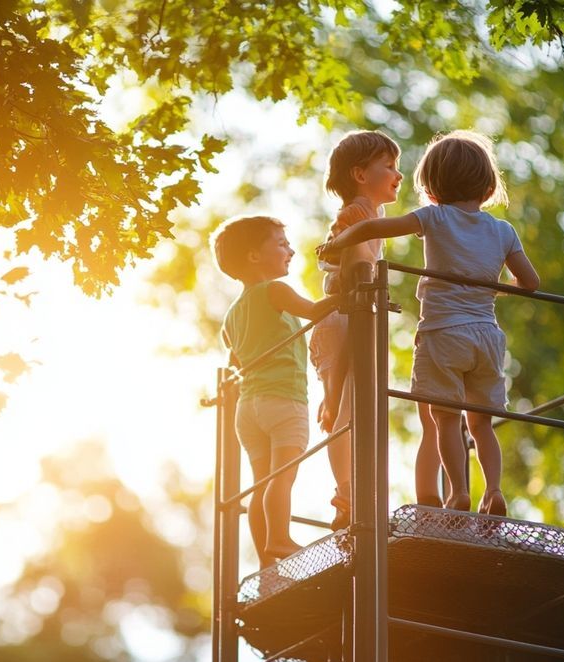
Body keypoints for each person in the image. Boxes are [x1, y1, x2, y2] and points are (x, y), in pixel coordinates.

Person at [316, 130, 540, 516]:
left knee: (445, 419)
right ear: (488, 187)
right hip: (487, 336)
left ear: (432, 188)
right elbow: (530, 284)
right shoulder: (503, 230)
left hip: (442, 334)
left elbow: (372, 230)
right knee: (482, 423)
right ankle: (494, 490)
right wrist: (489, 287)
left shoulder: (433, 218)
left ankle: (458, 492)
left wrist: (339, 241)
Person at [213, 215, 340, 567]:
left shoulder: (232, 315)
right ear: (255, 256)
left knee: (261, 483)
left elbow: (235, 359)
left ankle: (267, 561)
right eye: (282, 244)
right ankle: (280, 539)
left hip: (248, 410)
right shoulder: (275, 291)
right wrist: (350, 294)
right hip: (283, 401)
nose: (291, 250)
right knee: (282, 479)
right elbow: (316, 311)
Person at [310, 130, 403, 530]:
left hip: (353, 315)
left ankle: (351, 494)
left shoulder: (371, 214)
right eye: (390, 166)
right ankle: (347, 495)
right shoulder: (358, 212)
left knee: (351, 409)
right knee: (343, 411)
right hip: (344, 317)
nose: (398, 174)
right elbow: (356, 262)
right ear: (361, 174)